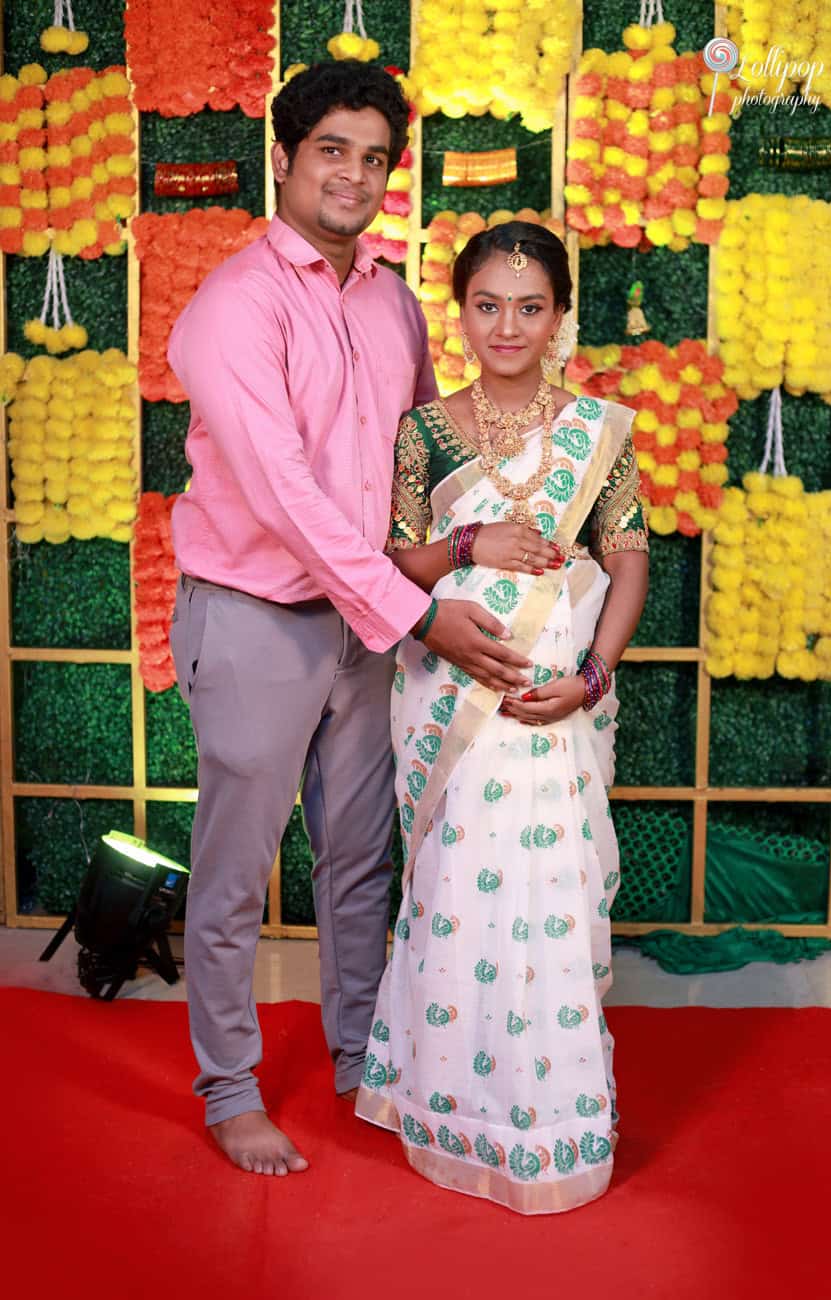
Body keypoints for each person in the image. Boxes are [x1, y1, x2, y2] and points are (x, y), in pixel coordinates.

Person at [167, 63, 533, 1178]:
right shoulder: (234, 303)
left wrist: (518, 509)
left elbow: (416, 461)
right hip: (254, 615)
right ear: (283, 157)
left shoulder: (390, 299)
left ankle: (359, 1052)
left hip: (364, 620)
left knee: (361, 856)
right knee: (234, 873)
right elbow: (284, 495)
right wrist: (418, 611)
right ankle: (229, 1089)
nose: (355, 175)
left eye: (375, 157)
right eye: (333, 149)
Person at [355, 221, 650, 1214]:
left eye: (531, 307)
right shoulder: (424, 431)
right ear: (461, 311)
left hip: (558, 703)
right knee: (453, 888)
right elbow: (395, 564)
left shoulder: (602, 430)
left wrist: (593, 677)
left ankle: (553, 1121)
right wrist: (471, 538)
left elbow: (631, 558)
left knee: (554, 895)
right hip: (452, 702)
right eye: (488, 305)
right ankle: (449, 1109)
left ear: (562, 317)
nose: (508, 325)